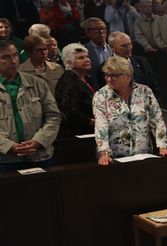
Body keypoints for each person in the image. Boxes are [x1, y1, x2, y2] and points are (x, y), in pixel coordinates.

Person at [93, 56, 167, 165]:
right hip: (115, 158)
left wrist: (163, 147)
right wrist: (104, 153)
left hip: (144, 154)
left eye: (114, 75)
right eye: (107, 75)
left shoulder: (145, 92)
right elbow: (101, 126)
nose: (109, 79)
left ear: (128, 76)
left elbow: (157, 120)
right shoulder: (100, 95)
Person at [0, 39, 60, 172]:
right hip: (5, 160)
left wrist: (39, 141)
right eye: (5, 57)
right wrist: (9, 146)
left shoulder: (38, 83)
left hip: (40, 156)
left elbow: (53, 116)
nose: (13, 60)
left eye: (15, 55)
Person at [55, 43, 97, 135]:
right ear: (69, 63)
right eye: (81, 58)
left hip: (94, 129)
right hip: (78, 133)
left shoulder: (88, 78)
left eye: (87, 56)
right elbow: (71, 113)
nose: (87, 60)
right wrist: (93, 122)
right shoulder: (67, 82)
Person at [105, 32, 159, 96]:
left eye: (130, 44)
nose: (128, 48)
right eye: (124, 46)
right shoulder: (106, 68)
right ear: (112, 47)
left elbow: (155, 87)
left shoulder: (142, 62)